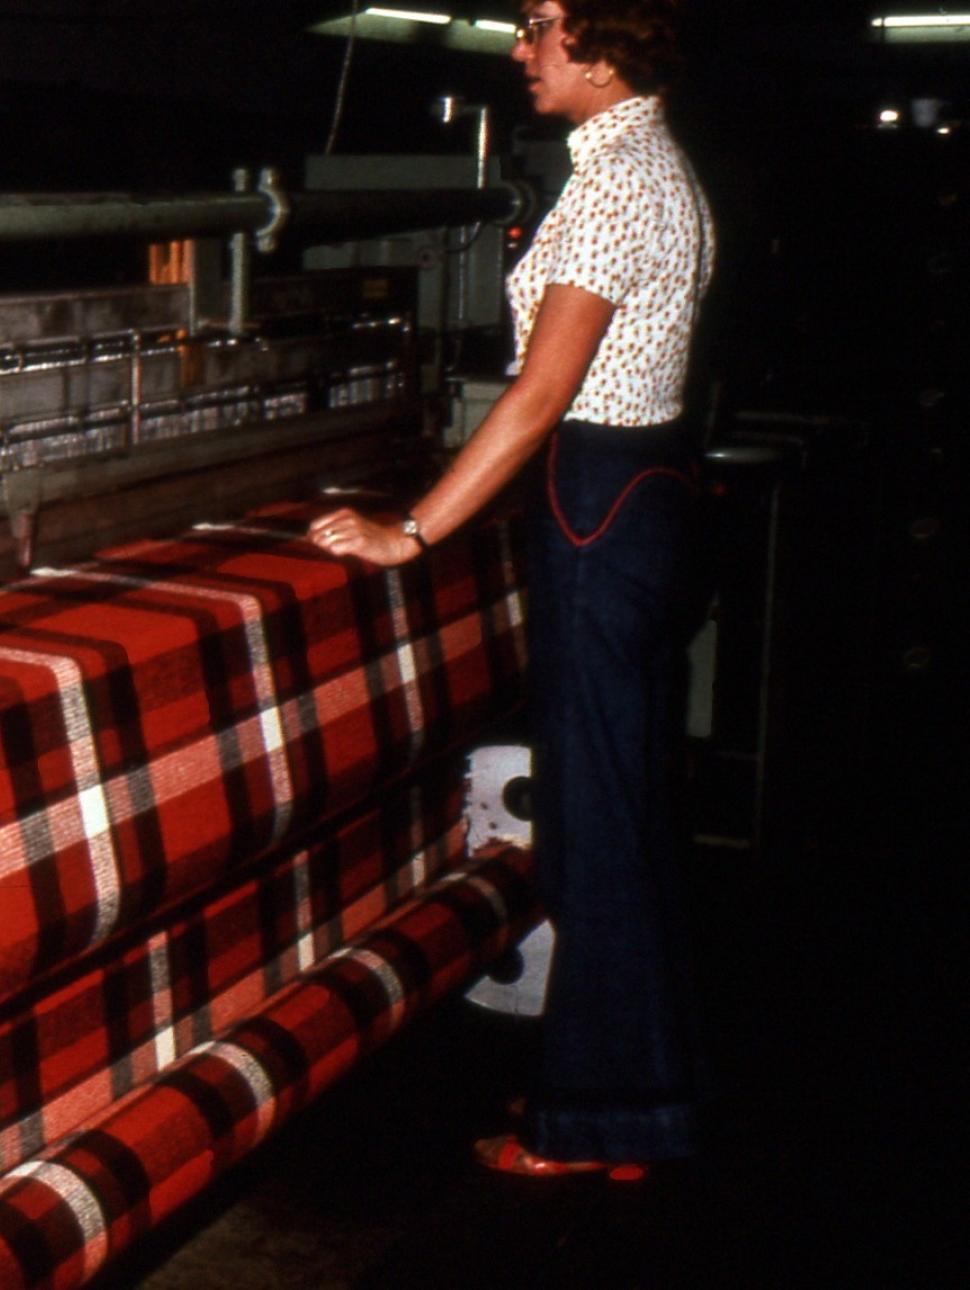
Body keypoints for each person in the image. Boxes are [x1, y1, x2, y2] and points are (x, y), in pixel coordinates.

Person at [308, 0, 715, 1177]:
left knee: (595, 822)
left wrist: (412, 532)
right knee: (617, 808)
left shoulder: (616, 185)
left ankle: (599, 1119)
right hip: (635, 492)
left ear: (606, 43)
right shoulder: (653, 164)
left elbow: (538, 396)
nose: (518, 46)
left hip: (595, 494)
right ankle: (639, 1102)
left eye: (540, 24)